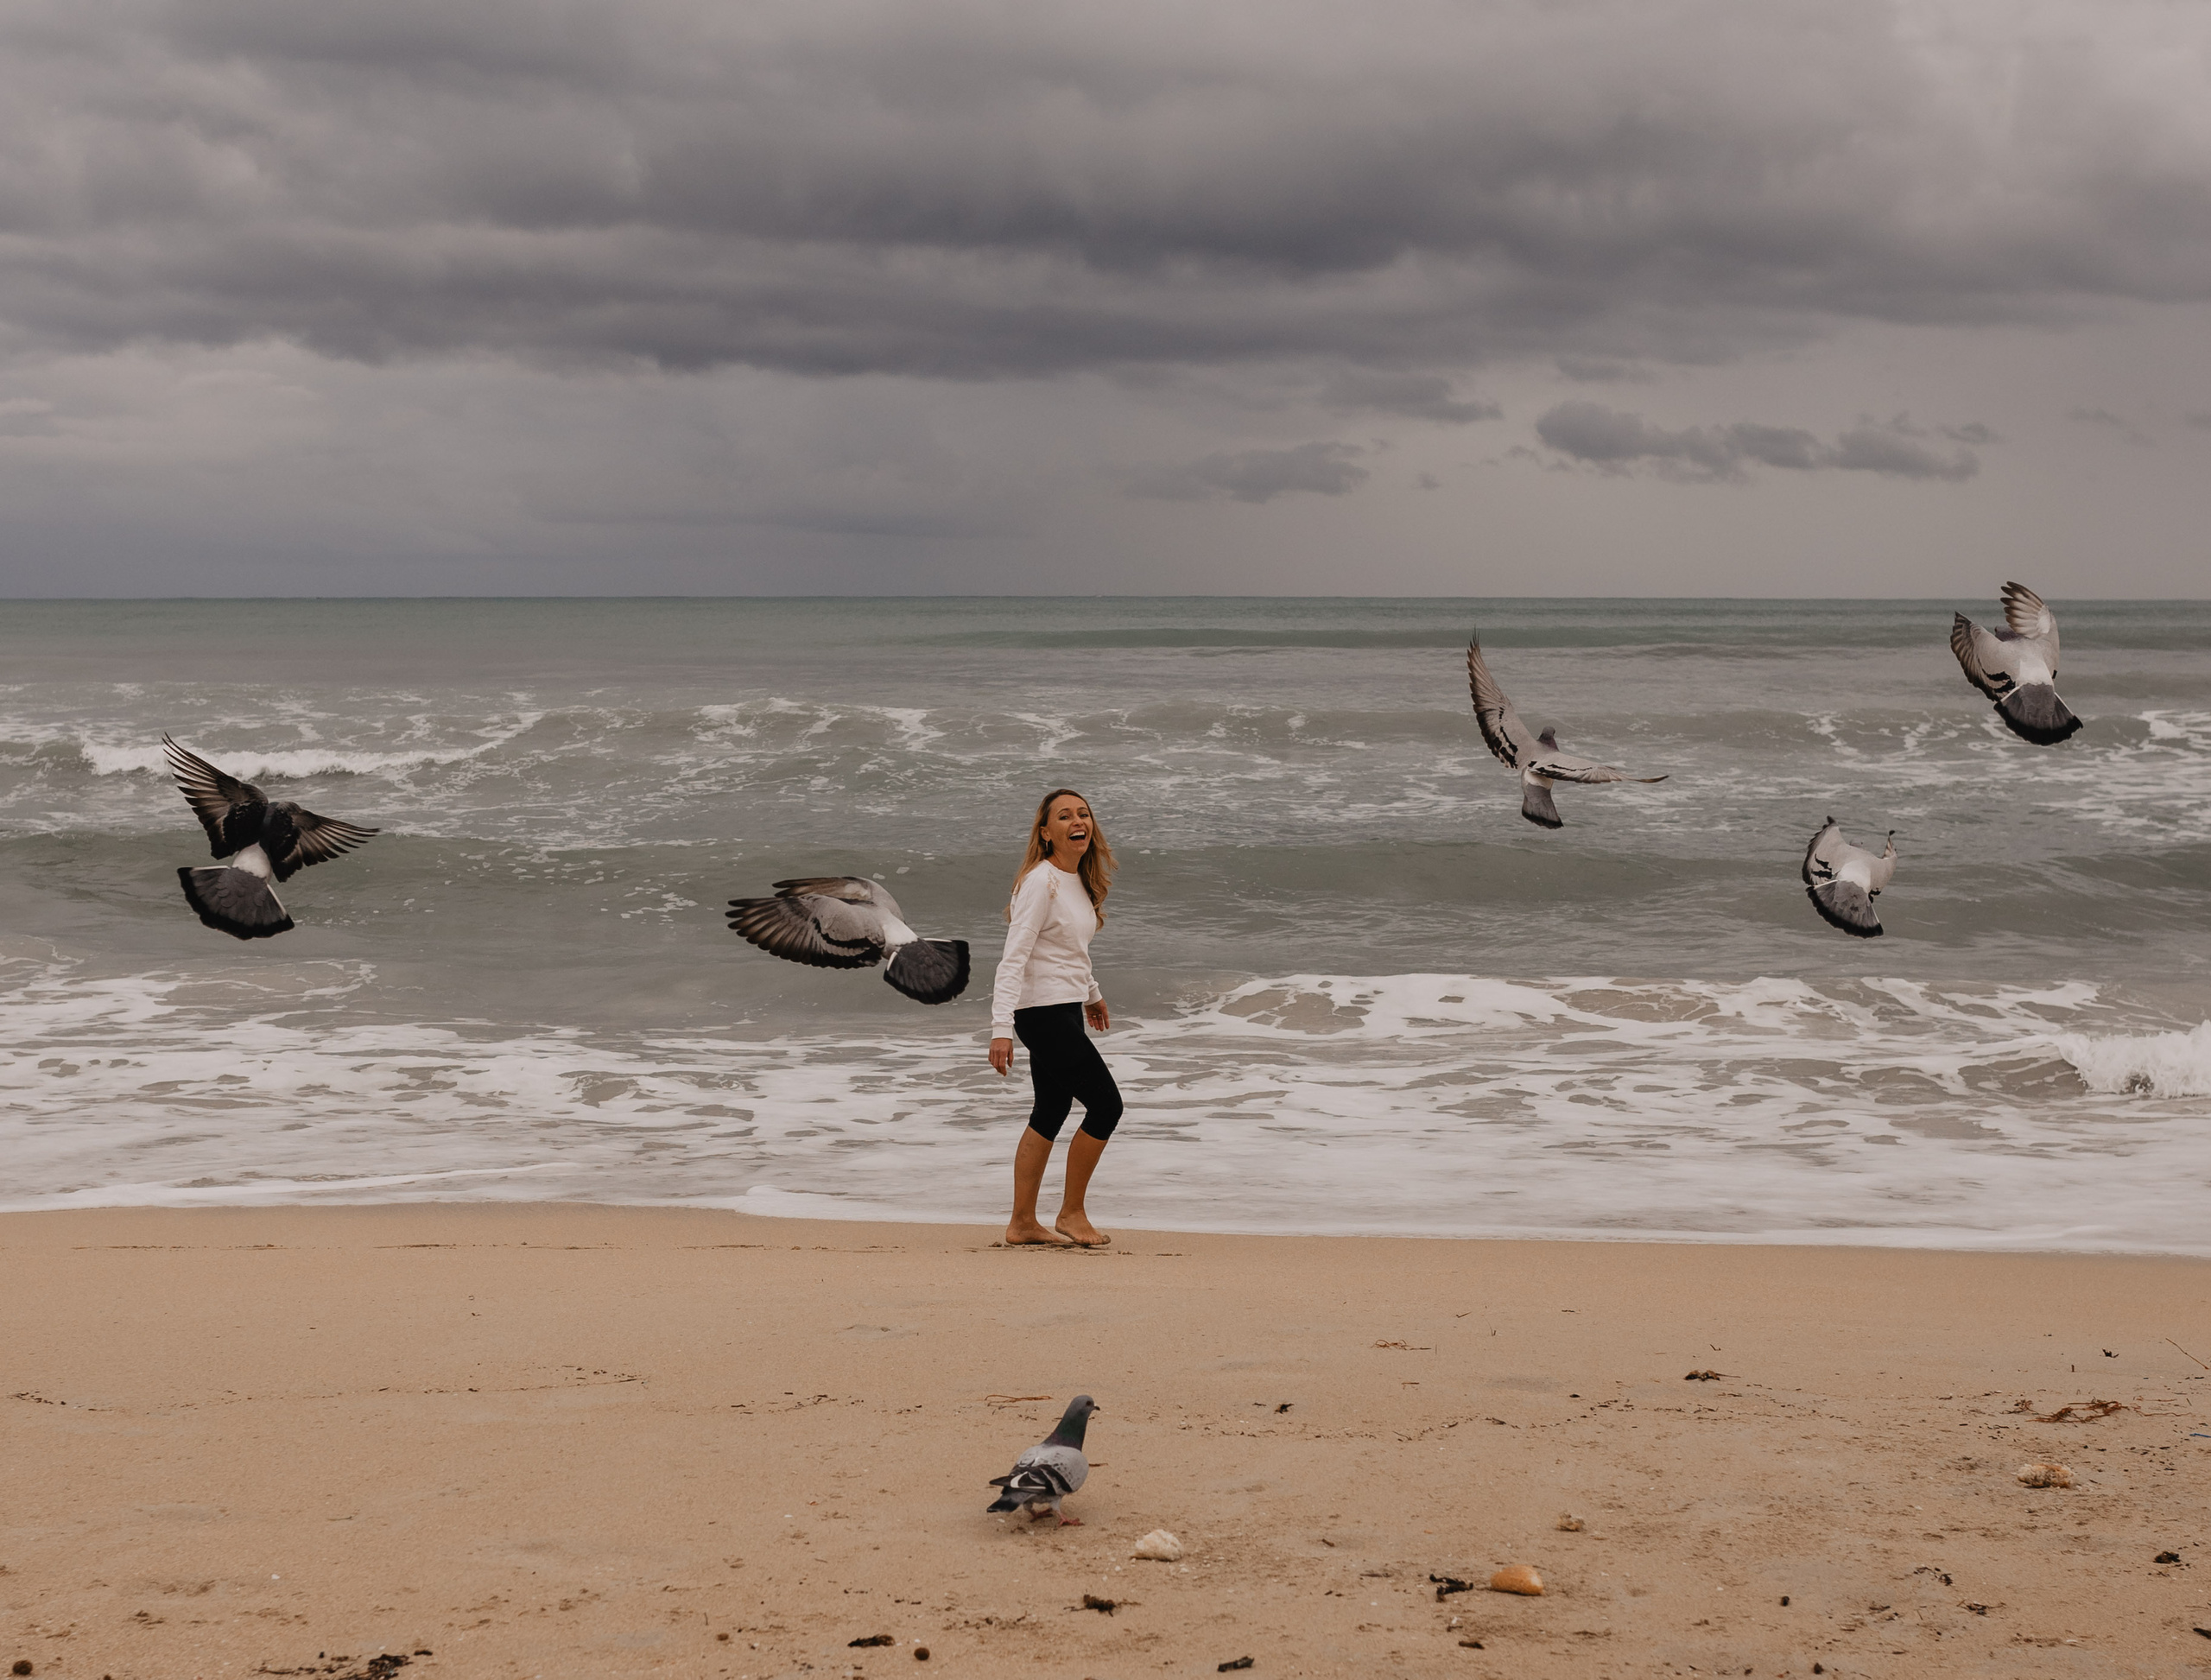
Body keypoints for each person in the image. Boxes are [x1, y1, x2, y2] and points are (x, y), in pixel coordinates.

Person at [989, 788, 1121, 1246]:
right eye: (1064, 816)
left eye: (1083, 813)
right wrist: (1001, 1029)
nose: (1076, 821)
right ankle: (1072, 1213)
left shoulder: (1076, 881)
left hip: (1063, 1007)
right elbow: (1013, 958)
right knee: (1106, 1106)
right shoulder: (1039, 882)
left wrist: (1092, 994)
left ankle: (1022, 1224)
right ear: (1046, 833)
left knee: (1051, 1109)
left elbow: (1070, 950)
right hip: (1039, 1012)